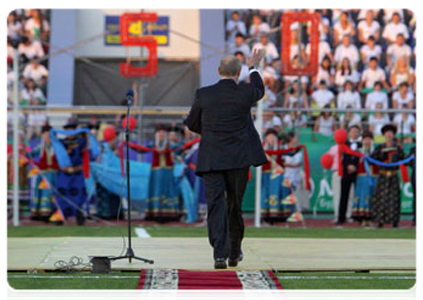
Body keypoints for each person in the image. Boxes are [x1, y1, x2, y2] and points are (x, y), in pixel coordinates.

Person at [184, 49, 267, 269]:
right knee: (234, 206)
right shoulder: (245, 91)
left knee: (215, 206)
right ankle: (234, 251)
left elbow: (191, 123)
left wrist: (211, 131)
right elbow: (260, 89)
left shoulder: (203, 94)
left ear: (218, 71)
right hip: (238, 159)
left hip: (211, 158)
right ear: (238, 72)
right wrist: (254, 67)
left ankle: (219, 255)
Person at [370, 124, 405, 228]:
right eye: (387, 133)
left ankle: (394, 222)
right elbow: (373, 159)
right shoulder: (379, 148)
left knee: (394, 198)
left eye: (391, 133)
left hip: (393, 175)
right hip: (383, 176)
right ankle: (380, 221)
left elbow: (404, 159)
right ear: (384, 135)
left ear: (394, 135)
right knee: (381, 198)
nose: (389, 134)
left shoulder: (398, 148)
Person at [29, 124, 59, 221]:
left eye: (48, 135)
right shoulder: (41, 146)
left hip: (52, 173)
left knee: (47, 192)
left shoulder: (56, 146)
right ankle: (36, 212)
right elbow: (33, 154)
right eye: (45, 135)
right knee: (38, 191)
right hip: (42, 173)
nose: (46, 137)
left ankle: (47, 212)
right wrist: (24, 154)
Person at [336, 125, 362, 225]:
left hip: (357, 173)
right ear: (349, 133)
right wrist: (347, 167)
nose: (354, 133)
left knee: (359, 195)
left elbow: (363, 157)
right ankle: (341, 218)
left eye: (356, 131)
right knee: (344, 196)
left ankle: (358, 217)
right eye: (353, 131)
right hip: (346, 172)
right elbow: (341, 158)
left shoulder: (361, 145)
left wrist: (355, 167)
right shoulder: (344, 144)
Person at [352, 131, 376, 226]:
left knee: (371, 196)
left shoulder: (374, 150)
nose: (367, 141)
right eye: (365, 139)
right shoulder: (359, 151)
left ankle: (370, 217)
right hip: (362, 177)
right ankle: (361, 218)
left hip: (373, 177)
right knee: (362, 196)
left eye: (369, 139)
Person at [409, 132, 420, 226]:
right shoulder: (414, 149)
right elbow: (409, 162)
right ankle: (416, 218)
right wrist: (417, 166)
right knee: (417, 197)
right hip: (417, 175)